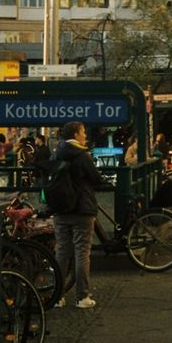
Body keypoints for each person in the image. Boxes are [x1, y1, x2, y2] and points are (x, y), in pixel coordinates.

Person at [53, 121, 106, 309]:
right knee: (82, 251)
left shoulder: (57, 152)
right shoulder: (82, 155)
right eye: (83, 132)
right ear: (76, 134)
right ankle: (82, 296)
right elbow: (95, 178)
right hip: (82, 209)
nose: (85, 135)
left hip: (60, 208)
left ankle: (57, 296)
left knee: (61, 252)